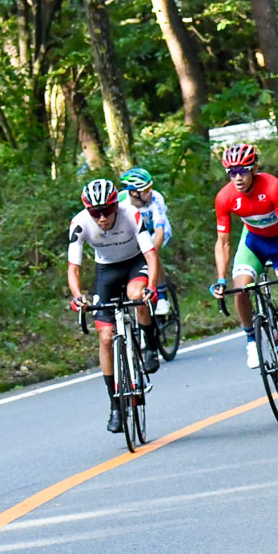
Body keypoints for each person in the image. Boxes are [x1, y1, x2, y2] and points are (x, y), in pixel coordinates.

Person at [210, 143, 278, 395]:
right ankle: (250, 338)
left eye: (243, 171)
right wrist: (221, 278)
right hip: (253, 242)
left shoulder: (272, 186)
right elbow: (223, 243)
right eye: (231, 172)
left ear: (254, 169)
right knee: (241, 288)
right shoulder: (225, 198)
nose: (237, 177)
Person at [67, 178, 161, 433]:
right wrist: (77, 296)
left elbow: (151, 256)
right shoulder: (79, 223)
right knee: (106, 337)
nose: (102, 218)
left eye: (107, 211)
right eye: (95, 213)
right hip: (106, 271)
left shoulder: (132, 215)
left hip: (134, 263)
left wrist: (151, 286)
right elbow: (73, 268)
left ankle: (150, 346)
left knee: (136, 294)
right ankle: (115, 405)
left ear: (115, 206)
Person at [118, 167, 171, 316]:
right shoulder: (121, 201)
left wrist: (151, 254)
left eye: (151, 187)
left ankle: (161, 295)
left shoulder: (156, 199)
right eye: (146, 189)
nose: (151, 191)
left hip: (155, 231)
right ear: (134, 192)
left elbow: (159, 230)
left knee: (153, 253)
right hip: (135, 234)